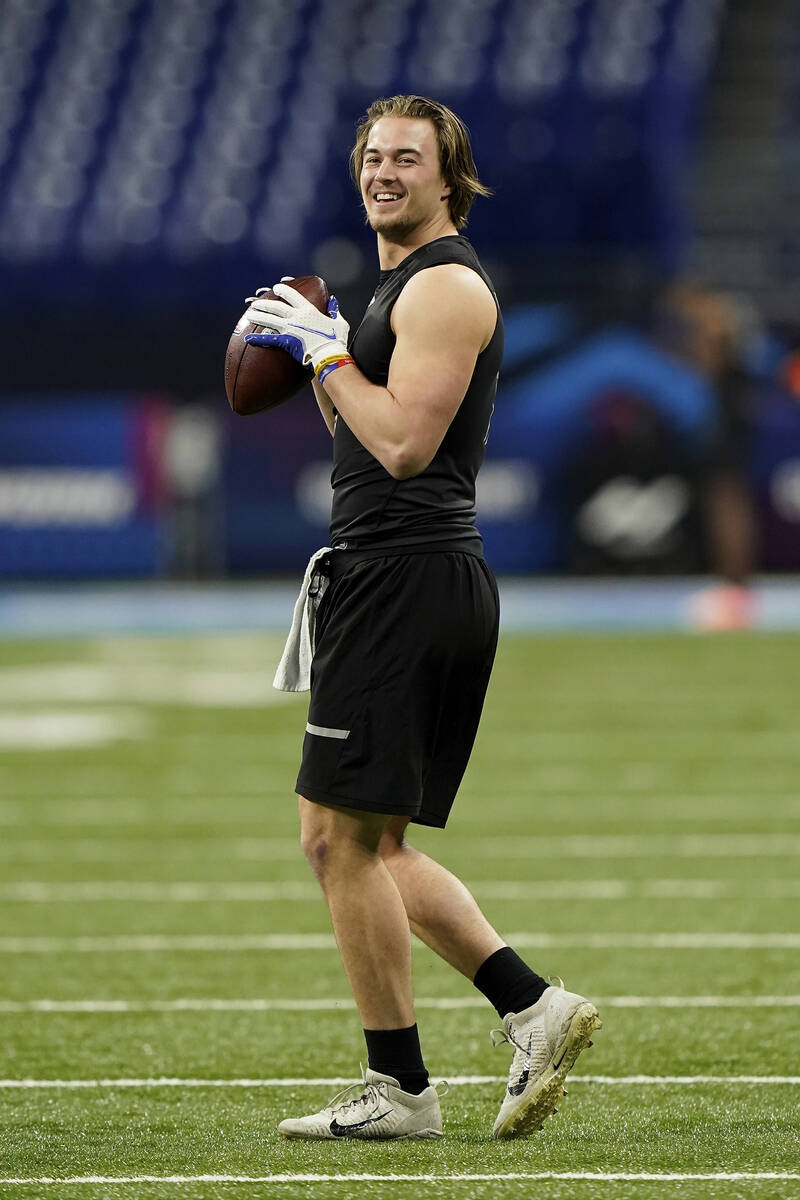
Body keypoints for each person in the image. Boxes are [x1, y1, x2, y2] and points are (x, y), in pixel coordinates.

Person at [241, 94, 601, 1142]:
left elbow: (402, 448)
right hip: (391, 572)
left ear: (451, 179)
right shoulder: (400, 285)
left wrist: (325, 355)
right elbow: (362, 434)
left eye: (407, 157)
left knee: (339, 841)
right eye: (370, 155)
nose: (383, 171)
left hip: (406, 575)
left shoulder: (443, 284)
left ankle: (416, 1076)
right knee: (357, 839)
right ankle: (518, 1014)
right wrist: (318, 351)